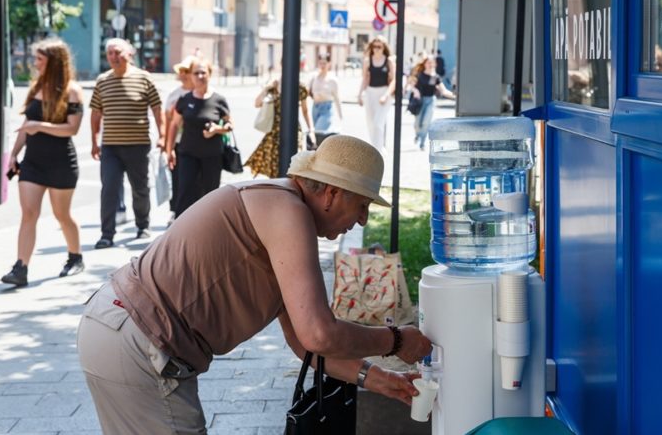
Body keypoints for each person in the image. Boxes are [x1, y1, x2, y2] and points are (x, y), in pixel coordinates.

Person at [77, 135, 434, 433]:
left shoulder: (283, 212)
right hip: (138, 337)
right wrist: (396, 340)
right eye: (361, 205)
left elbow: (304, 344)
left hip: (121, 329)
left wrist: (377, 378)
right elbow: (319, 335)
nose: (362, 220)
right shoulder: (286, 210)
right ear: (331, 193)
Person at [1, 39, 86, 287]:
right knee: (29, 214)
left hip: (61, 163)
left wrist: (40, 126)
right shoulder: (36, 86)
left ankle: (75, 257)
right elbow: (26, 128)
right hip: (33, 163)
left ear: (54, 62)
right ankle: (21, 268)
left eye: (40, 59)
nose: (35, 63)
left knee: (62, 215)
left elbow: (72, 129)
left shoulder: (72, 90)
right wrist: (14, 155)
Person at [90, 38, 163, 249]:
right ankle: (107, 234)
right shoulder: (103, 81)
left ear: (129, 54)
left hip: (138, 144)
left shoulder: (144, 78)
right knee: (109, 188)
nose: (114, 57)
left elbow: (157, 109)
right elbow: (96, 113)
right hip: (110, 146)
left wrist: (163, 136)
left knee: (140, 188)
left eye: (118, 52)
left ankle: (143, 225)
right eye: (110, 53)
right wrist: (94, 142)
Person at [165, 58, 232, 217]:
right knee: (186, 191)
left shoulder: (219, 100)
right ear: (191, 76)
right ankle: (181, 228)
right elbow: (174, 125)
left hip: (212, 155)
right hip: (188, 154)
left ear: (209, 74)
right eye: (196, 73)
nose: (200, 76)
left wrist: (217, 129)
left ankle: (209, 229)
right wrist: (169, 150)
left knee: (211, 194)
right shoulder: (184, 100)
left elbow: (230, 125)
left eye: (203, 72)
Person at [244, 71, 315, 178]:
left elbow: (305, 111)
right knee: (275, 171)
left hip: (294, 131)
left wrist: (311, 130)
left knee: (294, 167)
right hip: (274, 133)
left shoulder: (300, 86)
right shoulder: (273, 85)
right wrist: (267, 88)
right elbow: (257, 103)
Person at [162, 55, 196, 222]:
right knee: (177, 179)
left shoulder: (199, 92)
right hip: (177, 142)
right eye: (181, 71)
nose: (183, 74)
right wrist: (166, 145)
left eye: (187, 71)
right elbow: (168, 121)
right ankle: (175, 210)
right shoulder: (175, 95)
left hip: (196, 143)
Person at [407, 55, 455, 151]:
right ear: (424, 64)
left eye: (431, 62)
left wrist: (456, 96)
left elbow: (444, 91)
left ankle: (422, 143)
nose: (430, 64)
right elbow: (411, 85)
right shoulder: (419, 74)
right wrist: (415, 91)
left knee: (426, 122)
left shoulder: (435, 77)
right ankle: (418, 134)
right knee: (417, 123)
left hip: (431, 100)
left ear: (434, 64)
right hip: (419, 101)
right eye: (428, 62)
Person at [358, 36, 396, 152]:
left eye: (379, 46)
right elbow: (365, 79)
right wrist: (360, 94)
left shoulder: (389, 61)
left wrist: (386, 95)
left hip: (384, 92)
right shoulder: (367, 61)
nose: (376, 49)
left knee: (378, 123)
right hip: (370, 93)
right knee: (370, 123)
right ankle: (375, 146)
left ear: (383, 47)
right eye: (374, 46)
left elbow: (394, 80)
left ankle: (377, 150)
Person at [308, 53, 343, 146]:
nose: (322, 65)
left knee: (319, 131)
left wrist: (341, 116)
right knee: (315, 134)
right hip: (315, 108)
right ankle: (318, 154)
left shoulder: (332, 80)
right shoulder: (314, 77)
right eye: (320, 63)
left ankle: (321, 153)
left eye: (324, 63)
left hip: (326, 108)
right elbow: (308, 92)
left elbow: (337, 98)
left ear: (329, 64)